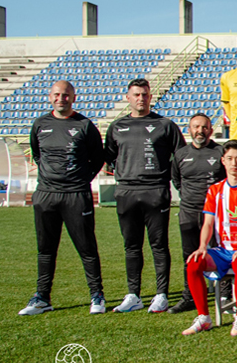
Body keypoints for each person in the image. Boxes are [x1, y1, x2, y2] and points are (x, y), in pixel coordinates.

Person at [19, 80, 107, 316]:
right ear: (50, 97)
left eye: (66, 95)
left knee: (87, 248)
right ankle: (42, 297)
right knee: (45, 249)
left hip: (76, 195)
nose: (61, 98)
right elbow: (38, 154)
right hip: (46, 195)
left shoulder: (85, 125)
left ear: (73, 97)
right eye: (57, 94)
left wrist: (81, 179)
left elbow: (98, 158)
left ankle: (97, 295)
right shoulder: (40, 124)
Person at [104, 78, 186, 313]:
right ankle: (133, 294)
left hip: (155, 191)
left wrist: (170, 180)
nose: (141, 98)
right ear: (128, 98)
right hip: (126, 191)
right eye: (136, 94)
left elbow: (180, 157)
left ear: (150, 97)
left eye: (145, 94)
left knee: (159, 245)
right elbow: (109, 156)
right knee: (131, 246)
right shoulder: (117, 127)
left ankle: (161, 294)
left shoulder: (164, 125)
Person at [181, 140, 237, 336]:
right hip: (223, 249)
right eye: (229, 159)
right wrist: (203, 246)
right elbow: (208, 223)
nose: (234, 163)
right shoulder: (215, 190)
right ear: (223, 161)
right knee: (194, 263)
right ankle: (203, 317)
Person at [167, 114, 225, 314]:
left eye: (204, 127)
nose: (200, 131)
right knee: (189, 255)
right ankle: (189, 296)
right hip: (189, 211)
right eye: (196, 127)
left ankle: (224, 295)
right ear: (189, 130)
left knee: (220, 252)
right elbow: (177, 180)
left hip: (217, 213)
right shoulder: (181, 154)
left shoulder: (219, 152)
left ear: (210, 129)